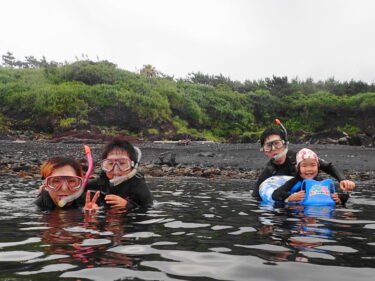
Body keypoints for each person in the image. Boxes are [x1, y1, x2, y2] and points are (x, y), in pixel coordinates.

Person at [252, 126, 355, 199]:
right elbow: (256, 196)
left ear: (285, 144)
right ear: (263, 150)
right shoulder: (269, 171)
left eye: (277, 143)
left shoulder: (302, 158)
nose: (273, 148)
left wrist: (342, 180)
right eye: (268, 146)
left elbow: (328, 166)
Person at [85, 137, 153, 211]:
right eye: (110, 163)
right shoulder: (99, 183)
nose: (116, 169)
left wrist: (128, 205)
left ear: (132, 165)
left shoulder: (138, 185)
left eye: (122, 163)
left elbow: (148, 209)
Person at [272, 148, 350, 204]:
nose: (309, 169)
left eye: (313, 165)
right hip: (298, 217)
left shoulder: (321, 182)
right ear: (297, 168)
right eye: (304, 166)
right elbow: (275, 194)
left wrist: (338, 198)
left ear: (318, 166)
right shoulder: (294, 182)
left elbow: (345, 195)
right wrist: (290, 197)